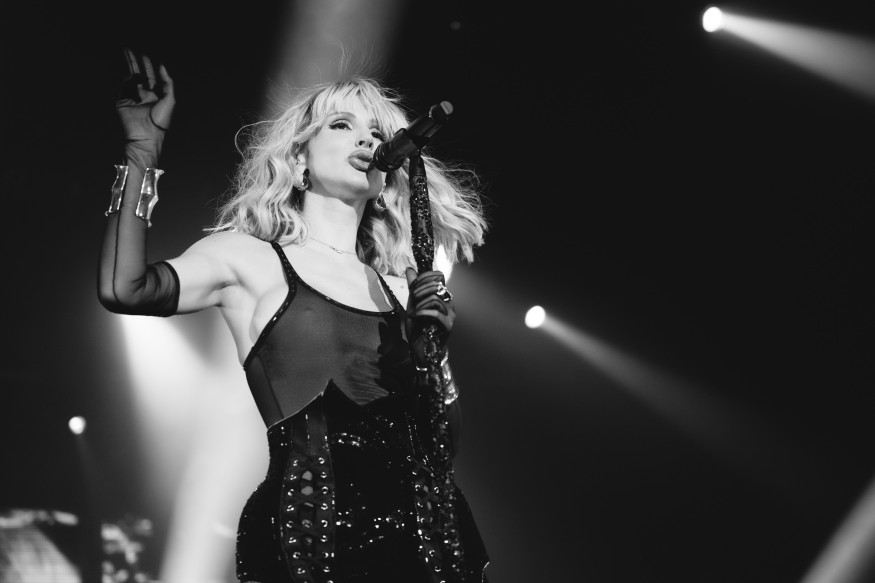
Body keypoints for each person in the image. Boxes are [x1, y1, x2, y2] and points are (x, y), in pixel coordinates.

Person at [98, 49, 490, 583]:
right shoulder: (247, 258)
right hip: (313, 538)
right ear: (299, 156)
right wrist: (142, 153)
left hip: (427, 544)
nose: (367, 141)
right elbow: (125, 288)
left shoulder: (404, 288)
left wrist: (433, 356)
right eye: (342, 125)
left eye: (377, 133)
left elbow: (442, 446)